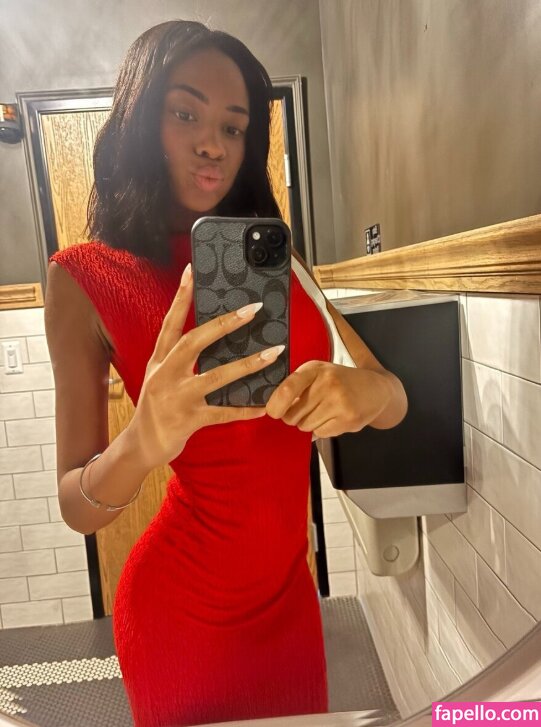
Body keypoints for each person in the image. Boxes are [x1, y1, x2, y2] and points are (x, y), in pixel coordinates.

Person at [44, 19, 407, 727]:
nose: (213, 143)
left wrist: (369, 391)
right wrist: (141, 442)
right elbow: (76, 505)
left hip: (289, 602)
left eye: (233, 127)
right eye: (186, 115)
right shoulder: (84, 278)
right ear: (141, 120)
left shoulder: (278, 260)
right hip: (181, 617)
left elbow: (391, 400)